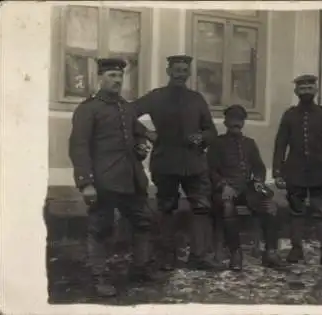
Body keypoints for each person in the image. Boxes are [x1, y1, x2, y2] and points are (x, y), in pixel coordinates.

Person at [69, 58, 156, 297]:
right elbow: (79, 147)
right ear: (100, 78)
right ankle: (100, 278)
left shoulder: (126, 107)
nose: (117, 81)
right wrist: (86, 183)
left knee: (143, 221)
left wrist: (141, 145)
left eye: (119, 76)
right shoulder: (88, 109)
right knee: (100, 229)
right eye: (111, 76)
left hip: (130, 178)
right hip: (103, 180)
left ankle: (140, 267)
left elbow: (137, 132)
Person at [131, 55, 221, 271]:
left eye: (184, 70)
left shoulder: (197, 99)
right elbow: (126, 114)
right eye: (177, 70)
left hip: (194, 163)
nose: (181, 74)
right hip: (166, 162)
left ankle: (199, 256)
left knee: (201, 207)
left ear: (189, 73)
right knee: (166, 208)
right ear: (169, 71)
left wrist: (202, 137)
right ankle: (166, 256)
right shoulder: (156, 97)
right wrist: (146, 133)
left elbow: (211, 130)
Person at [272, 74, 322, 269]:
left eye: (309, 88)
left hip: (320, 171)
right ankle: (296, 249)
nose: (306, 91)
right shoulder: (289, 115)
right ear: (296, 91)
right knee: (296, 211)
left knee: (320, 212)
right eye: (302, 88)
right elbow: (280, 144)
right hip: (295, 171)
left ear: (315, 90)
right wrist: (278, 172)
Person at [207, 105, 285, 271]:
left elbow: (259, 167)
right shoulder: (217, 143)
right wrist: (223, 185)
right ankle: (236, 253)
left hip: (247, 190)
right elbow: (211, 170)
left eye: (239, 120)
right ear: (226, 122)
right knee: (227, 207)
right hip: (225, 190)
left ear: (243, 123)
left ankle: (270, 252)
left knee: (270, 206)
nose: (236, 124)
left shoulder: (249, 143)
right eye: (232, 120)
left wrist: (258, 180)